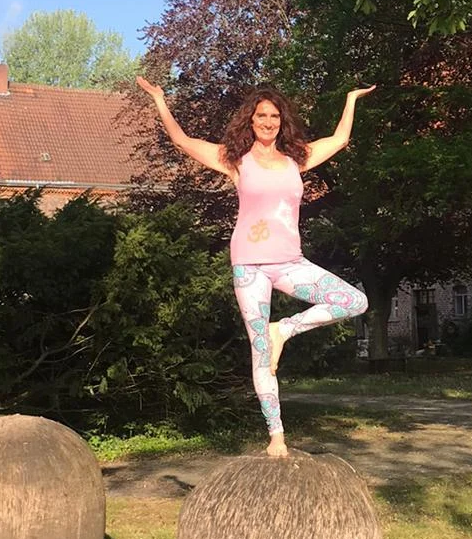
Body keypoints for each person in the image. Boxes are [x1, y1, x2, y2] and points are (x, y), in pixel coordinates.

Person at [136, 77, 374, 458]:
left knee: (354, 301)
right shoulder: (235, 160)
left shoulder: (296, 158)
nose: (268, 122)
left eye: (274, 116)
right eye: (261, 115)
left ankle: (285, 329)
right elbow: (182, 141)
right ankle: (276, 436)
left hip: (289, 261)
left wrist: (350, 100)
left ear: (282, 120)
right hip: (249, 265)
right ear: (250, 120)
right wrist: (160, 101)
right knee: (259, 350)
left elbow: (340, 139)